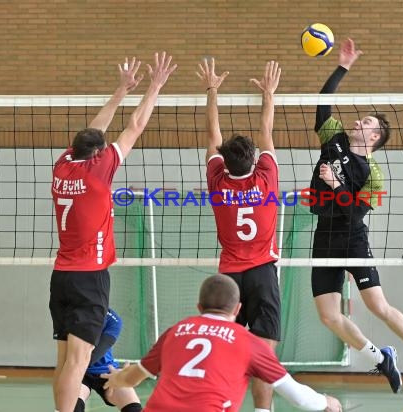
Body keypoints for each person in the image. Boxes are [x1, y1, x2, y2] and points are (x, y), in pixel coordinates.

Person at [309, 38, 403, 394]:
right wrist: (343, 66)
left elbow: (355, 215)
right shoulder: (333, 138)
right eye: (361, 117)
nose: (358, 120)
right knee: (328, 316)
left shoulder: (374, 173)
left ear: (375, 136)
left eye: (366, 121)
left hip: (352, 239)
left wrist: (336, 184)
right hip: (323, 235)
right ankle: (379, 358)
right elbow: (322, 103)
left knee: (377, 305)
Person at [50, 52, 177, 412]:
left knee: (64, 365)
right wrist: (154, 86)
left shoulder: (63, 166)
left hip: (61, 277)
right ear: (98, 155)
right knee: (77, 364)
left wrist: (121, 89)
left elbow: (93, 132)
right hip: (89, 278)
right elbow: (134, 126)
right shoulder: (97, 172)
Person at [100, 275, 342, 412]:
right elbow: (299, 398)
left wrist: (115, 378)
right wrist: (328, 403)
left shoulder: (175, 331)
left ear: (198, 307)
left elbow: (133, 377)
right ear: (238, 309)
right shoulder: (248, 342)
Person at [197, 58, 282, 411]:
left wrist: (212, 90)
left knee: (223, 352)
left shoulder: (217, 180)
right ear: (255, 161)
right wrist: (269, 95)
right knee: (263, 356)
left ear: (224, 160)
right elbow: (267, 131)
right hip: (262, 273)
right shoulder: (267, 177)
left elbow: (212, 136)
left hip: (228, 278)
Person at [74, 308, 141, 412]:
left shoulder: (113, 319)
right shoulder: (72, 313)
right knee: (73, 402)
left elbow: (96, 354)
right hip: (78, 368)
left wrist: (120, 378)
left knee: (132, 406)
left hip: (107, 371)